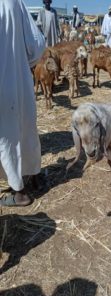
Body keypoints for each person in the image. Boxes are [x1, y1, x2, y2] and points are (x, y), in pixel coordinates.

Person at [0, 0, 45, 206]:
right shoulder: (15, 1)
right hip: (21, 82)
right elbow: (37, 45)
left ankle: (19, 193)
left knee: (7, 138)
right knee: (27, 130)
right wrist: (19, 63)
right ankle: (35, 176)